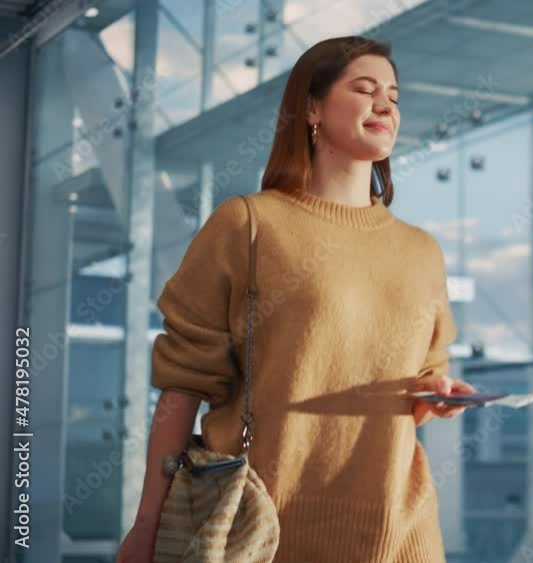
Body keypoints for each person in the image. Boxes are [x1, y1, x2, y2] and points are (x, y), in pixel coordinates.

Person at [117, 36, 476, 563]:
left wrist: (436, 392)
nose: (385, 105)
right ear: (312, 107)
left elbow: (422, 378)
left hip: (400, 531)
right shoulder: (248, 225)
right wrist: (148, 522)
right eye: (364, 89)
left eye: (394, 96)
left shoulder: (422, 252)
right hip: (260, 529)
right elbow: (183, 384)